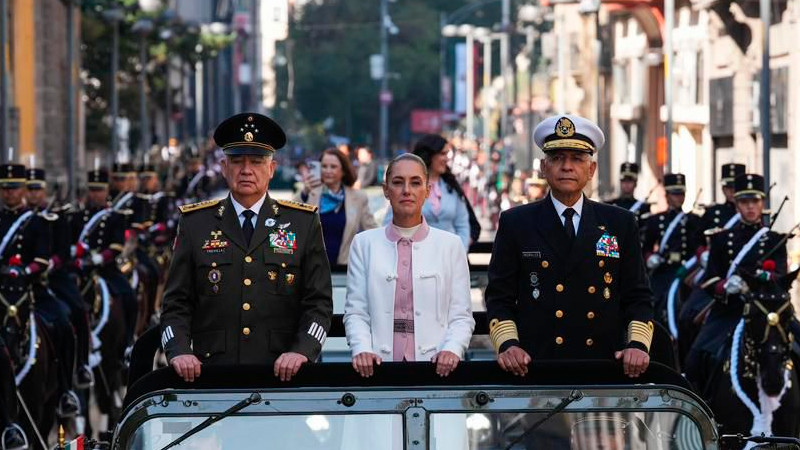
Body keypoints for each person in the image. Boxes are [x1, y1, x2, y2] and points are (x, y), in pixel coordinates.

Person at [160, 113, 333, 383]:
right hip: (212, 375)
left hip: (284, 376)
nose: (246, 170)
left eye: (256, 161)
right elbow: (175, 303)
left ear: (272, 168)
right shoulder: (196, 223)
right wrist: (179, 351)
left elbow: (319, 303)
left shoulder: (302, 222)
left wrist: (302, 351)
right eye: (237, 161)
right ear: (223, 167)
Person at [485, 115, 654, 379]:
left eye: (577, 159)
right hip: (536, 366)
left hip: (604, 367)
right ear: (544, 167)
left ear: (591, 169)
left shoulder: (619, 223)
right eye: (557, 158)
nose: (567, 167)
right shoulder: (516, 222)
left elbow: (638, 295)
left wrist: (637, 345)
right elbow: (499, 297)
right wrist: (508, 345)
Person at [344, 153, 475, 377]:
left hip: (437, 369)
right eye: (397, 182)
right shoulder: (364, 244)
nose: (407, 190)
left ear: (427, 190)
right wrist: (362, 349)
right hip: (377, 369)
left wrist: (452, 349)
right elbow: (356, 311)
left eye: (415, 183)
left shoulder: (451, 245)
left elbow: (461, 315)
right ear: (386, 190)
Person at [684, 173, 785, 394]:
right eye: (744, 201)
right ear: (737, 204)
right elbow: (710, 280)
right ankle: (703, 401)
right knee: (695, 359)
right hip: (730, 310)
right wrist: (725, 286)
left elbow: (781, 277)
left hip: (766, 310)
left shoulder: (775, 240)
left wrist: (762, 280)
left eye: (755, 201)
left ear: (762, 203)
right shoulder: (722, 239)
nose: (750, 207)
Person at [384, 134, 472, 249]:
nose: (447, 158)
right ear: (430, 155)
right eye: (442, 153)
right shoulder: (407, 190)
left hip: (449, 253)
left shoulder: (452, 187)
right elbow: (390, 223)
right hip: (416, 253)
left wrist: (458, 251)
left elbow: (463, 225)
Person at [297, 148, 377, 266]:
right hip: (313, 268)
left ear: (343, 170)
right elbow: (291, 220)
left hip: (346, 269)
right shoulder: (309, 193)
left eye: (333, 167)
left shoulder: (358, 197)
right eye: (324, 166)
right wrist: (304, 193)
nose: (328, 171)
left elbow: (372, 232)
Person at [641, 174, 702, 325]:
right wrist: (650, 258)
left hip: (686, 271)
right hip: (664, 270)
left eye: (681, 194)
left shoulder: (693, 220)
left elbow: (698, 245)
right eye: (675, 194)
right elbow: (646, 247)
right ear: (667, 195)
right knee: (654, 302)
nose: (679, 197)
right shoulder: (656, 220)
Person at [698, 163, 745, 234]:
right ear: (723, 189)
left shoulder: (752, 213)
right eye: (728, 187)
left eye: (736, 187)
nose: (732, 191)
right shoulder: (712, 213)